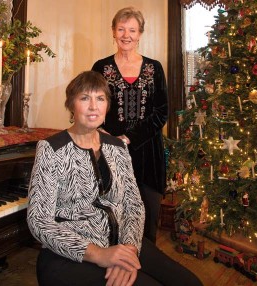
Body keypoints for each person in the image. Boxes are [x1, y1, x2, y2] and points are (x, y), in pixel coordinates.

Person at [27, 71, 203, 286]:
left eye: (100, 98)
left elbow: (133, 204)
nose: (93, 106)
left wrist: (128, 250)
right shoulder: (51, 149)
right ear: (71, 105)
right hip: (71, 255)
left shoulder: (117, 147)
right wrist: (99, 254)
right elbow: (39, 220)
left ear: (107, 105)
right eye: (84, 98)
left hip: (122, 241)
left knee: (190, 283)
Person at [92, 7, 168, 243]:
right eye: (121, 29)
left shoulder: (154, 68)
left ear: (140, 34)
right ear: (113, 32)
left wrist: (130, 137)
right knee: (114, 213)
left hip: (149, 154)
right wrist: (101, 132)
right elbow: (92, 104)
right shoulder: (101, 67)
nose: (126, 35)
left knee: (148, 212)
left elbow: (161, 111)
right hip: (111, 151)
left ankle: (146, 265)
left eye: (132, 30)